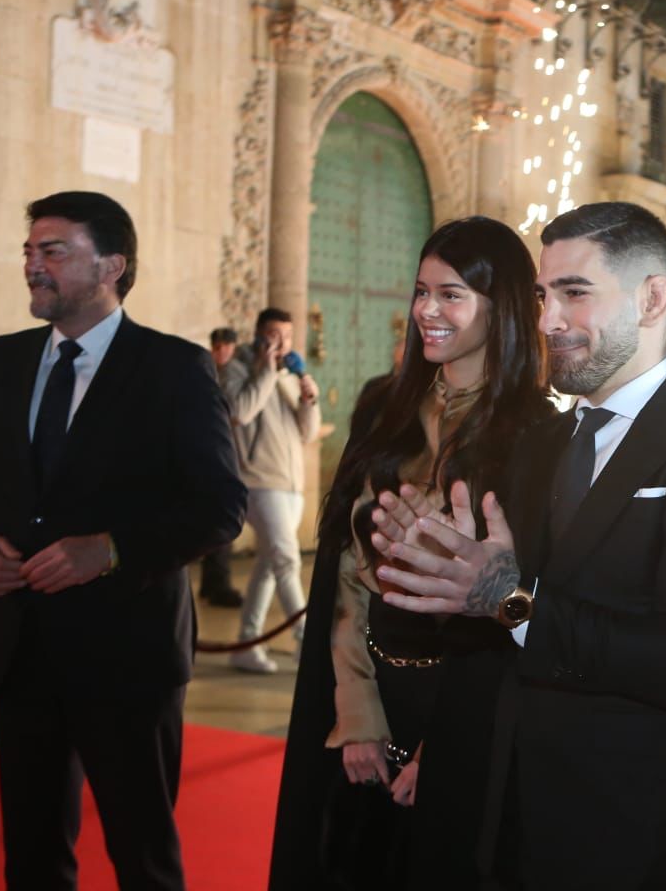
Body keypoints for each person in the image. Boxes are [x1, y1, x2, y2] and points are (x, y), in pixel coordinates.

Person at [375, 201, 666, 890]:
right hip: (503, 813)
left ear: (652, 299)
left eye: (573, 293)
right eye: (541, 296)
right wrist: (440, 566)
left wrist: (510, 602)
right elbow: (492, 617)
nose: (546, 321)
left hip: (629, 820)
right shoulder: (541, 442)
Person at [0, 190, 245, 890]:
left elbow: (221, 505)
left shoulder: (172, 369)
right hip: (19, 650)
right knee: (33, 855)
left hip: (126, 656)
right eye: (29, 252)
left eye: (54, 251)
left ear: (112, 266)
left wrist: (110, 548)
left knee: (143, 856)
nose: (33, 267)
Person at [268, 217, 555, 890]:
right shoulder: (382, 404)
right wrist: (356, 709)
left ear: (501, 305)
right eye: (421, 291)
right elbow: (343, 570)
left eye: (451, 295)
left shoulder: (539, 434)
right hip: (365, 687)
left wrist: (450, 747)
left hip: (468, 705)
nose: (427, 310)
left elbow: (520, 597)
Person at [221, 307, 321, 673]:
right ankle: (306, 641)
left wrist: (309, 399)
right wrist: (265, 370)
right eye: (274, 336)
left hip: (290, 483)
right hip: (258, 482)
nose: (281, 344)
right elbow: (241, 412)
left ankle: (246, 644)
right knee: (287, 560)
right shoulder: (237, 367)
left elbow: (307, 433)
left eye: (287, 338)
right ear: (259, 335)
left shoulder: (290, 373)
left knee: (267, 565)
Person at [197, 327, 246, 608]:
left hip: (229, 457)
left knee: (222, 526)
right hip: (212, 457)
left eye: (226, 345)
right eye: (217, 346)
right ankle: (215, 584)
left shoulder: (235, 374)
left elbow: (237, 411)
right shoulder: (205, 371)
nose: (221, 351)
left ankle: (216, 584)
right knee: (218, 526)